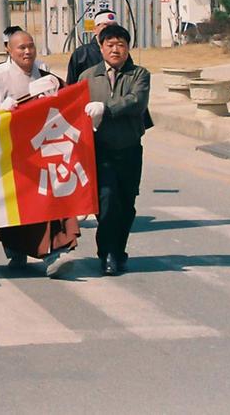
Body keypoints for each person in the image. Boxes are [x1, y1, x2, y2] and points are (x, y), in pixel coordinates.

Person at [0, 28, 78, 278]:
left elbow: (64, 103)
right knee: (14, 208)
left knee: (49, 204)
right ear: (9, 50)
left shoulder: (45, 73)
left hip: (43, 151)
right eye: (21, 47)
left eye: (30, 46)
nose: (27, 51)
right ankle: (15, 250)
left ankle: (55, 253)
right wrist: (1, 110)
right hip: (11, 153)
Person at [80, 24, 151, 277]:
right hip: (100, 151)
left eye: (120, 45)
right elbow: (73, 107)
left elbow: (136, 101)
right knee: (107, 201)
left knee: (127, 204)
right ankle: (107, 253)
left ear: (128, 48)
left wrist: (105, 108)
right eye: (110, 45)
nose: (115, 50)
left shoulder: (139, 74)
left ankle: (119, 251)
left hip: (129, 149)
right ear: (100, 48)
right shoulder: (88, 77)